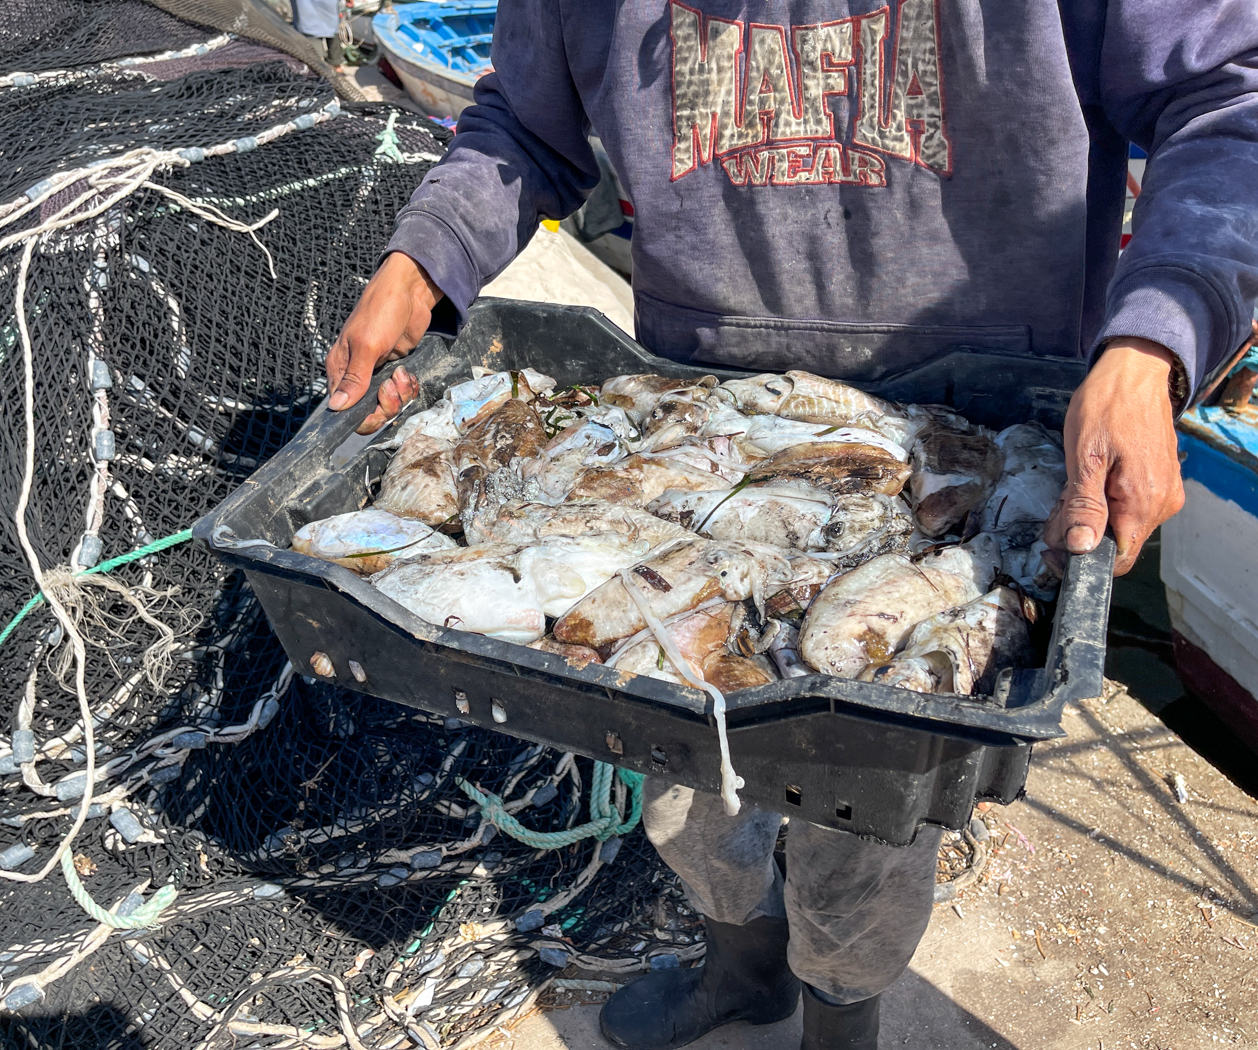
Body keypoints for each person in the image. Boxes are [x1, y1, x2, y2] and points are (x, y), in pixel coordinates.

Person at [324, 4, 1258, 1048]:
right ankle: (742, 968)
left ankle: (838, 1023)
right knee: (681, 777)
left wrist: (1154, 337)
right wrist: (426, 257)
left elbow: (1228, 96)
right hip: (702, 434)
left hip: (968, 443)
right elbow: (526, 124)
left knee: (862, 830)